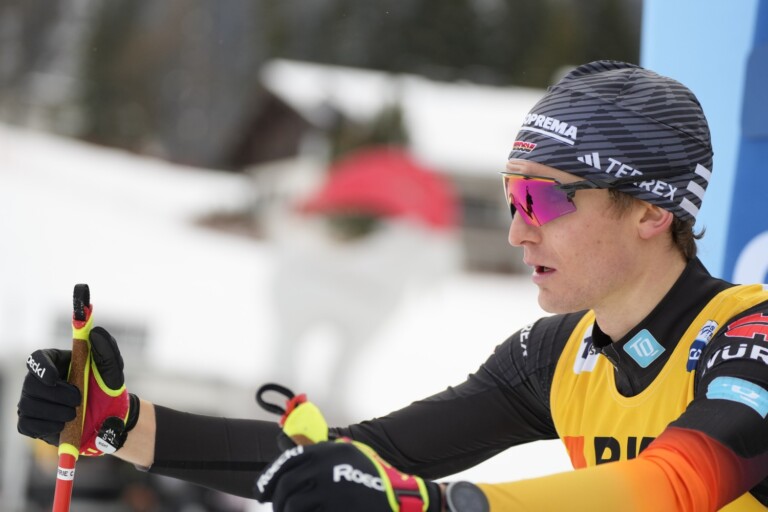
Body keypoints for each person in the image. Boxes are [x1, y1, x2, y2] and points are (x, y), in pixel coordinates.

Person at [17, 60, 768, 511]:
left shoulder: (750, 337)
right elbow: (367, 458)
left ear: (650, 211)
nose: (518, 230)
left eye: (543, 199)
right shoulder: (557, 355)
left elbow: (674, 487)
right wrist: (118, 423)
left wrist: (431, 507)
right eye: (511, 198)